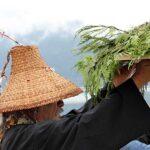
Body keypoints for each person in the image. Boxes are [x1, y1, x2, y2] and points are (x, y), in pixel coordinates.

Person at [0, 45, 150, 150]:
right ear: (34, 107)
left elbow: (76, 118)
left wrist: (113, 86)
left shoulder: (20, 132)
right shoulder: (25, 139)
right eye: (56, 101)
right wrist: (137, 80)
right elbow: (83, 129)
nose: (61, 105)